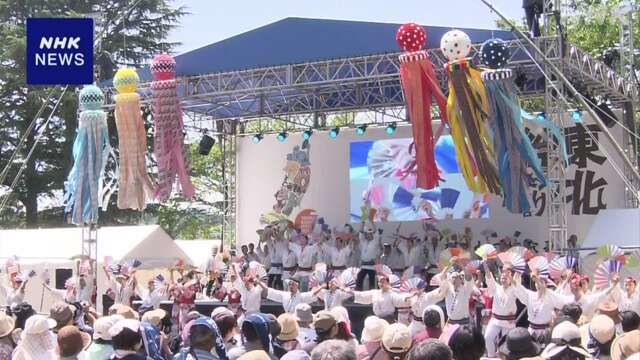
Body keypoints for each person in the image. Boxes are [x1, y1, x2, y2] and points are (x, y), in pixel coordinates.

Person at [513, 270, 574, 344]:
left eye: (542, 282)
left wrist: (537, 279)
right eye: (536, 283)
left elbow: (564, 301)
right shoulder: (530, 295)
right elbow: (517, 287)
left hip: (545, 332)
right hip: (531, 331)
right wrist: (518, 271)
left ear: (546, 284)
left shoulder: (549, 295)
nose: (538, 285)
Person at [483, 261, 519, 357]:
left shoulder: (514, 288)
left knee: (506, 344)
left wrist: (511, 275)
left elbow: (518, 286)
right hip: (495, 319)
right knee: (487, 337)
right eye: (502, 275)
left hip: (508, 321)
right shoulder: (496, 288)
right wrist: (485, 264)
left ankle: (503, 357)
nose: (503, 277)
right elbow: (489, 278)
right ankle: (491, 356)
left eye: (506, 274)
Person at [407, 269, 446, 336]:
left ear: (422, 288)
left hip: (425, 325)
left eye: (418, 288)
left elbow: (440, 292)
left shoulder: (427, 296)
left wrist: (443, 280)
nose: (415, 290)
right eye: (414, 288)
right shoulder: (412, 297)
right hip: (414, 324)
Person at [356, 222, 382, 291]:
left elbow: (376, 232)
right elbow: (361, 232)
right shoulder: (363, 242)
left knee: (372, 282)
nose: (369, 235)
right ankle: (359, 295)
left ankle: (372, 297)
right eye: (367, 234)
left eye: (370, 234)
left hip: (372, 267)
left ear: (372, 234)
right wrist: (363, 222)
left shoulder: (375, 242)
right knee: (359, 278)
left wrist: (372, 222)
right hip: (363, 266)